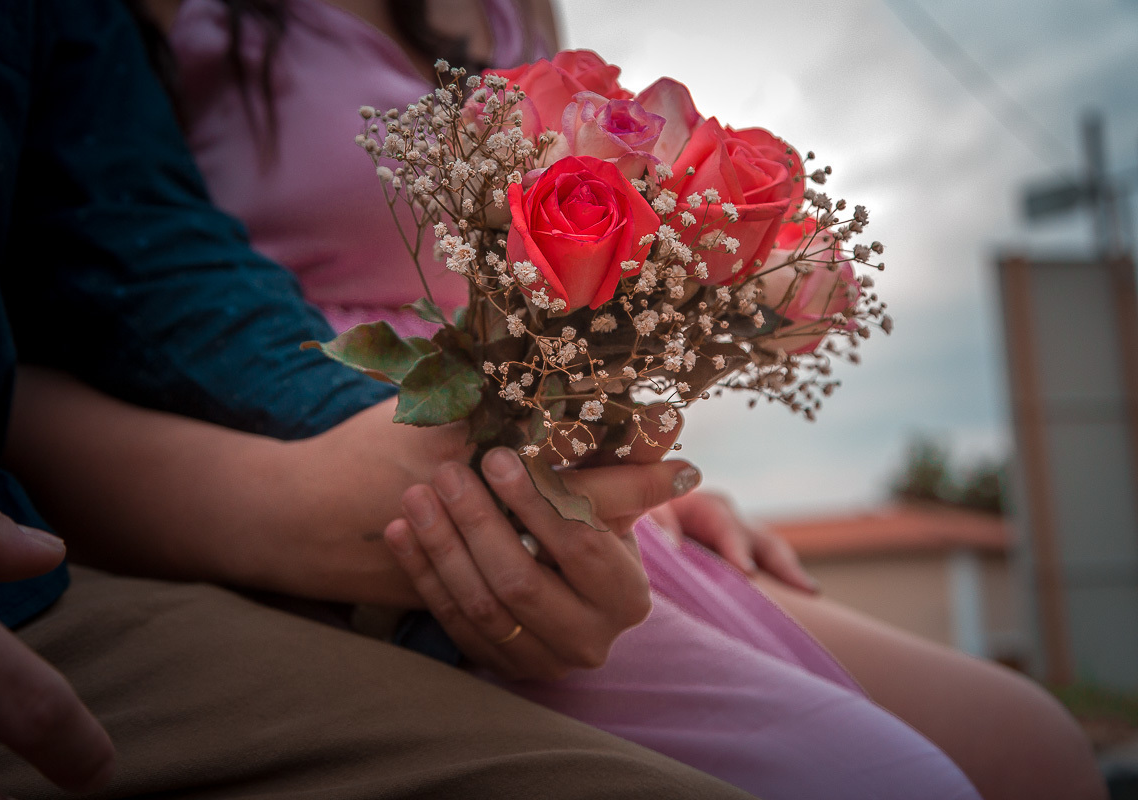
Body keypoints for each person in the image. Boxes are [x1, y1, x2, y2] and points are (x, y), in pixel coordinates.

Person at [150, 1, 1101, 798]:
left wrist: (657, 476)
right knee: (893, 782)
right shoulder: (183, 23)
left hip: (551, 451)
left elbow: (562, 304)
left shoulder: (499, 13)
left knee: (1035, 749)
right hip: (344, 432)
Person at [0, 1, 760, 797]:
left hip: (436, 460)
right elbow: (52, 323)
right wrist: (328, 475)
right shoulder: (181, 26)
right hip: (293, 470)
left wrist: (617, 466)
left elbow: (130, 246)